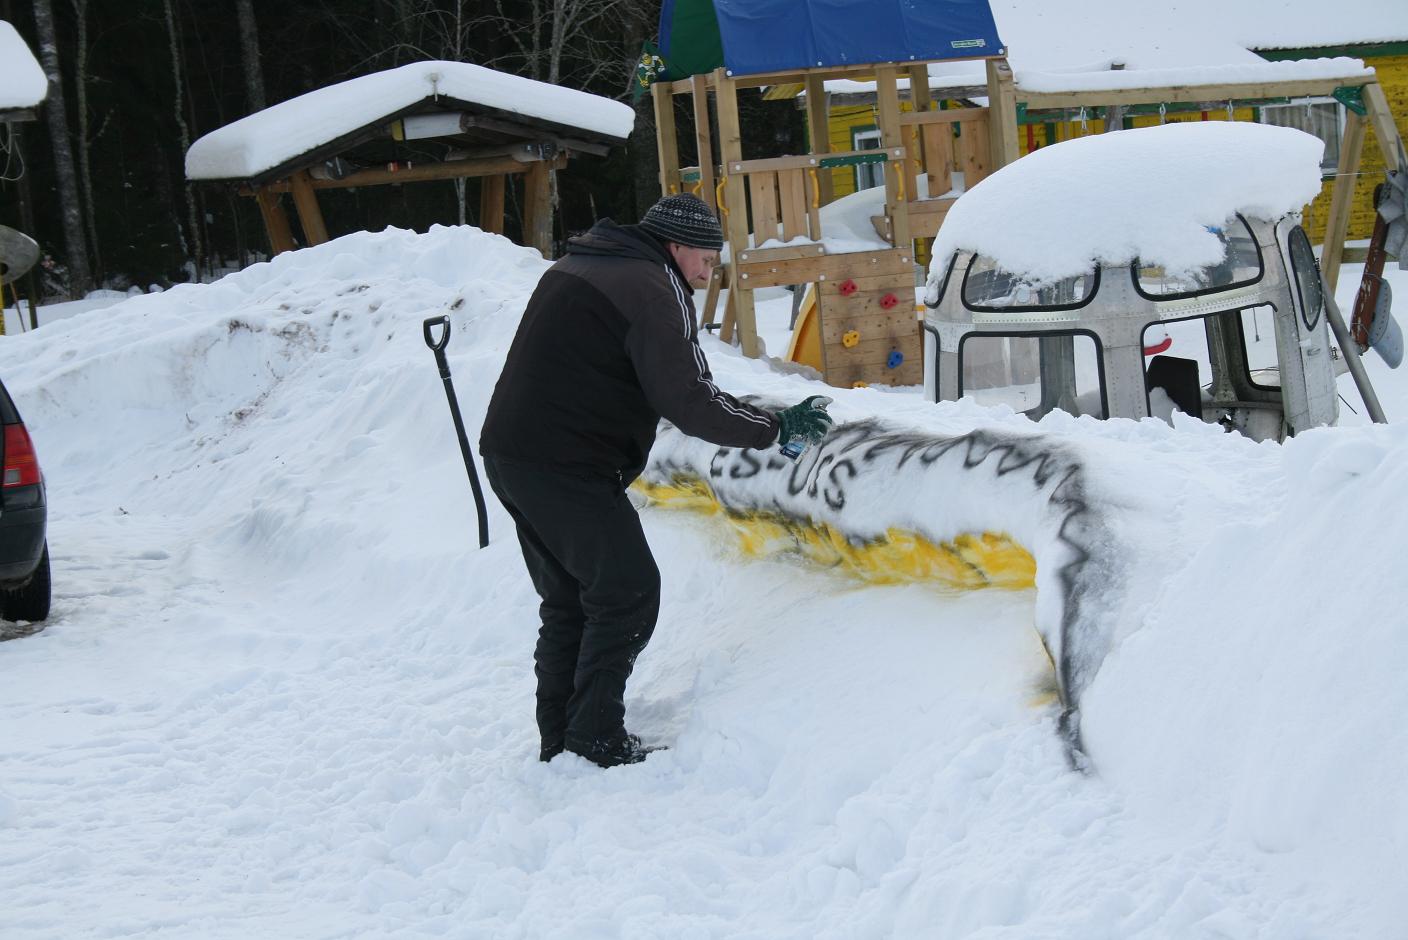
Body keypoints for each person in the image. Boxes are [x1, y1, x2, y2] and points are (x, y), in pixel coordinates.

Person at [478, 193, 834, 768]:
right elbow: (689, 397)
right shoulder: (652, 285)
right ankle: (593, 736)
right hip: (566, 465)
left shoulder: (586, 263)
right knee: (627, 592)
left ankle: (562, 736)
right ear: (677, 245)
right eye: (706, 259)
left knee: (571, 598)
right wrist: (775, 427)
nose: (706, 273)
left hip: (514, 454)